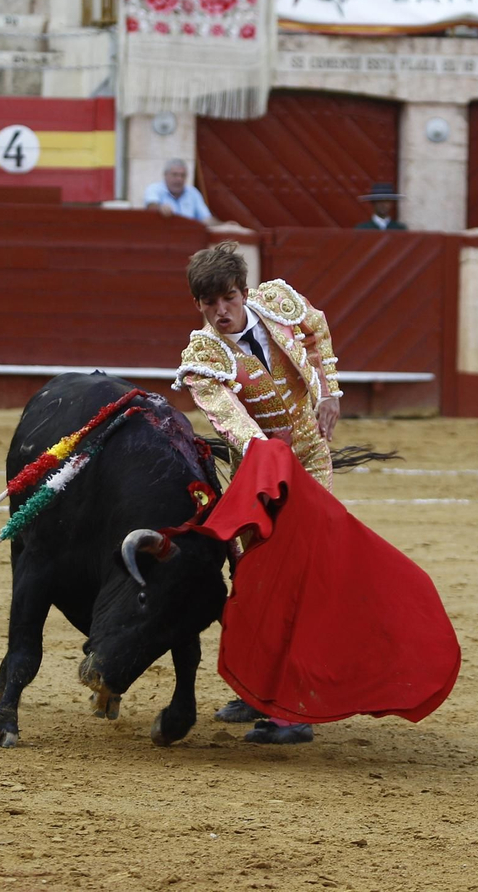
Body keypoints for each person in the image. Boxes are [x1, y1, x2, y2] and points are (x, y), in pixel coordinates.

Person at [176, 241, 344, 744]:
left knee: (297, 573)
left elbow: (317, 330)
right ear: (198, 305)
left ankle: (296, 703)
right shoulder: (202, 354)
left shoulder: (275, 302)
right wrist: (264, 450)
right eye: (209, 304)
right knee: (255, 573)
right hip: (260, 471)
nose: (221, 313)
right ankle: (258, 689)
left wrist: (330, 390)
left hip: (311, 458)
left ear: (245, 292)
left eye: (228, 299)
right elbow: (226, 415)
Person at [144, 159, 213, 222]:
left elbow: (206, 218)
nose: (179, 179)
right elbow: (151, 206)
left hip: (188, 233)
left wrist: (220, 226)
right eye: (175, 175)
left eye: (183, 175)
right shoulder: (154, 188)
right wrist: (160, 208)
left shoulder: (193, 192)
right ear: (165, 175)